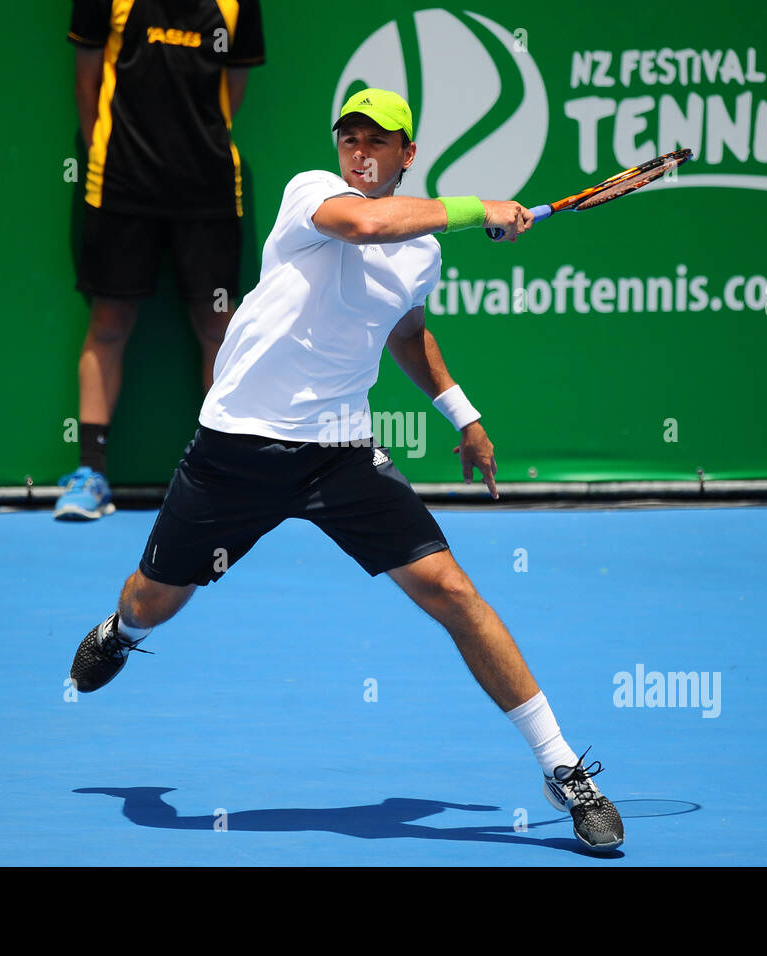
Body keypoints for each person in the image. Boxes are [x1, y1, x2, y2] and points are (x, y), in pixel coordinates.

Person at [68, 88, 624, 852]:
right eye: (350, 137)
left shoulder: (421, 251)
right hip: (237, 447)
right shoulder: (314, 195)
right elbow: (366, 224)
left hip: (340, 452)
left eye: (378, 140)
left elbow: (405, 333)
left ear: (408, 153)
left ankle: (564, 769)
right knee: (156, 600)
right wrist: (480, 206)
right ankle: (121, 631)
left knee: (454, 592)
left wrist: (464, 415)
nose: (360, 151)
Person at [56, 0, 266, 520]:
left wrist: (187, 148)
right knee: (108, 320)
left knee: (218, 325)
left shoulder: (238, 3)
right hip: (119, 184)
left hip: (208, 187)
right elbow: (86, 83)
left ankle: (224, 475)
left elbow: (230, 95)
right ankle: (91, 473)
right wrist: (111, 152)